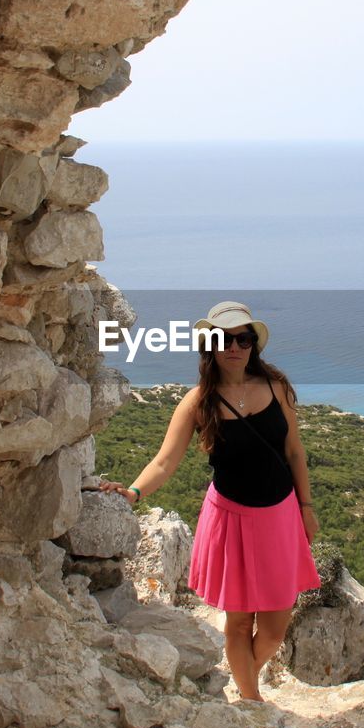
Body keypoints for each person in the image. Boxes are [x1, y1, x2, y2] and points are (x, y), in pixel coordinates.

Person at [99, 301, 321, 702]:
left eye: (243, 338)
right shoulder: (198, 401)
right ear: (210, 345)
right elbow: (165, 461)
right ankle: (252, 703)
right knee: (238, 624)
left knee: (272, 631)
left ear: (253, 344)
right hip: (231, 519)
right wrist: (133, 492)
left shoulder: (277, 387)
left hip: (280, 516)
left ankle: (245, 678)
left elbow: (294, 451)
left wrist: (306, 508)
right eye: (223, 338)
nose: (234, 346)